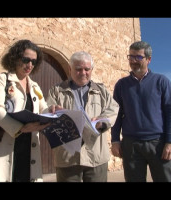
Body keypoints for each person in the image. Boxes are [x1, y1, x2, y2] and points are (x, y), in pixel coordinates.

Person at [0, 39, 50, 182]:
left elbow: (44, 109)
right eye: (26, 60)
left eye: (34, 62)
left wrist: (53, 111)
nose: (29, 65)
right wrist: (20, 128)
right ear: (16, 58)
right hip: (5, 145)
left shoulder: (35, 86)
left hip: (28, 148)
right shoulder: (2, 80)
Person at [46, 51, 119, 182]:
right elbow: (46, 111)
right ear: (70, 69)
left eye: (87, 69)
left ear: (92, 69)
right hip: (67, 157)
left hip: (96, 156)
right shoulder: (56, 90)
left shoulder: (101, 91)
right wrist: (52, 111)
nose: (83, 73)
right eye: (78, 69)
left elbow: (113, 109)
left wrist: (101, 122)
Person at [111, 41, 171, 182]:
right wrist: (115, 140)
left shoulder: (161, 81)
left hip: (158, 144)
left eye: (138, 57)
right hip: (131, 145)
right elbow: (115, 115)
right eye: (131, 57)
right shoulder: (121, 85)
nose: (133, 61)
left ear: (149, 59)